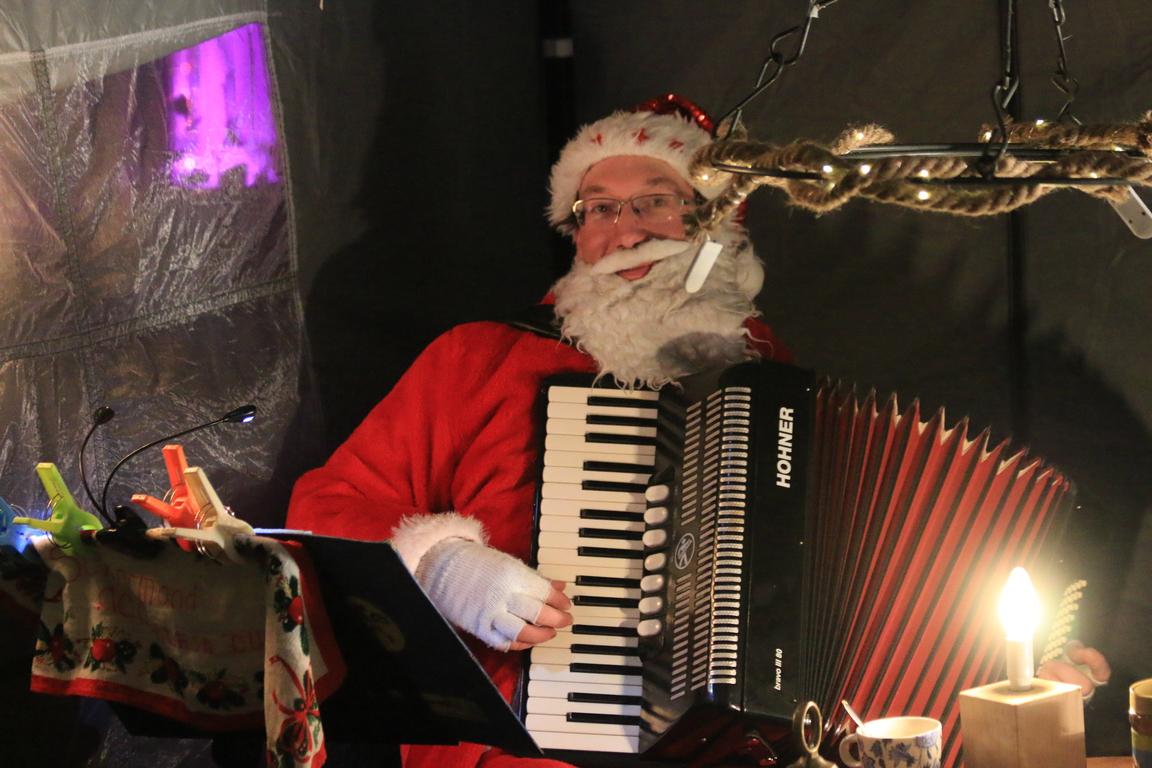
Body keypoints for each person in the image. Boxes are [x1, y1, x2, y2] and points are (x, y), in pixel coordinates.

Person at [287, 94, 790, 768]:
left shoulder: (767, 372)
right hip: (515, 740)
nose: (625, 233)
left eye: (655, 201)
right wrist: (438, 566)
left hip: (725, 744)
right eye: (599, 209)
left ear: (715, 220)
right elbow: (324, 505)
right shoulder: (480, 356)